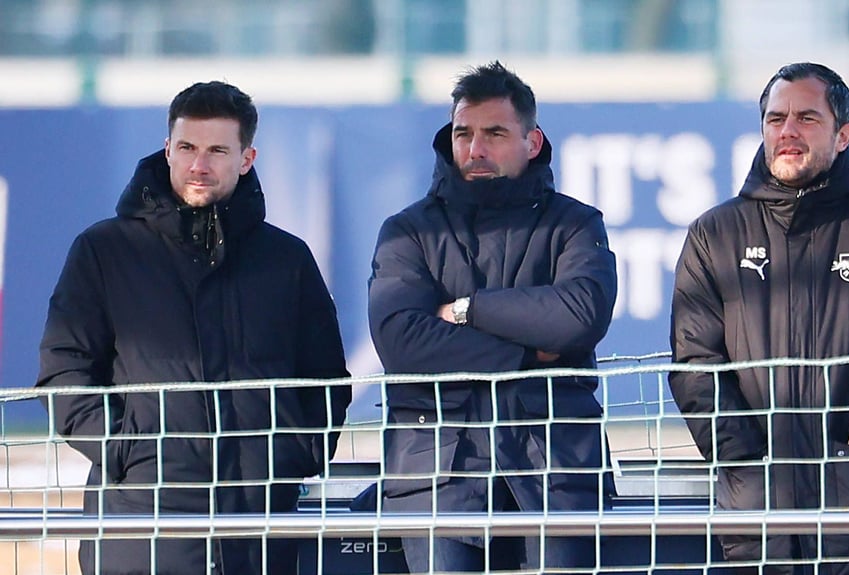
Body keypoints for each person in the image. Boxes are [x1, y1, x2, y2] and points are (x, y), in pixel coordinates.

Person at [36, 81, 351, 575]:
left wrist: (296, 452)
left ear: (246, 158)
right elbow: (63, 374)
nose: (198, 165)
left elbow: (325, 378)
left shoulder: (287, 259)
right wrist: (128, 452)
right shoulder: (103, 251)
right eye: (186, 147)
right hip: (141, 526)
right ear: (167, 149)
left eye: (217, 151)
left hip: (259, 528)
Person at [669, 62, 849, 574]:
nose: (788, 131)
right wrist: (744, 459)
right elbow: (695, 364)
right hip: (758, 516)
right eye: (776, 119)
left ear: (843, 134)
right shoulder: (714, 235)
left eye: (807, 118)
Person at [367, 61, 617, 573]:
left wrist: (467, 309)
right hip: (436, 477)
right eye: (464, 134)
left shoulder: (575, 223)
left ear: (532, 141)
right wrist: (527, 353)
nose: (475, 149)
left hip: (557, 473)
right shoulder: (408, 230)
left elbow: (578, 316)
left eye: (495, 134)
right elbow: (400, 340)